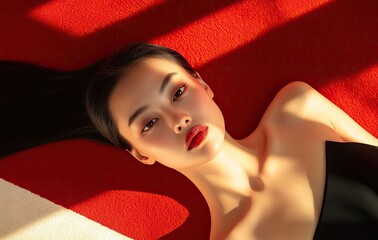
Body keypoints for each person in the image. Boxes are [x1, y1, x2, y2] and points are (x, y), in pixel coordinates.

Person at [1, 43, 377, 239]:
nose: (177, 119)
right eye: (148, 124)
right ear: (139, 155)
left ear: (203, 84)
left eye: (177, 91)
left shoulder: (298, 107)